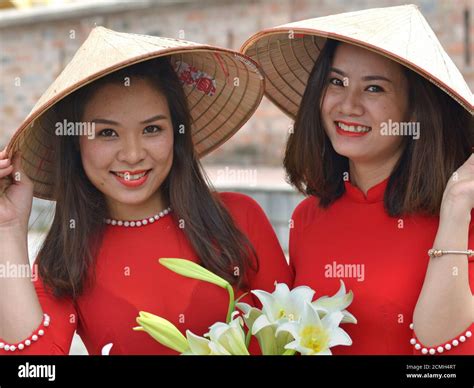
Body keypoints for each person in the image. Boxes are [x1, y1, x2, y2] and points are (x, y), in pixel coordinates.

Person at [0, 27, 293, 355]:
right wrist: (8, 229)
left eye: (152, 129)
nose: (133, 154)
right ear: (75, 144)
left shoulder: (239, 218)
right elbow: (34, 366)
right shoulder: (65, 257)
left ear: (177, 134)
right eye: (107, 133)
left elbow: (291, 339)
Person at [241, 4, 474, 354]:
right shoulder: (307, 217)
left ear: (415, 109)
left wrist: (455, 211)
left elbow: (442, 356)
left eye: (374, 89)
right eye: (336, 82)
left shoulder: (461, 218)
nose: (348, 105)